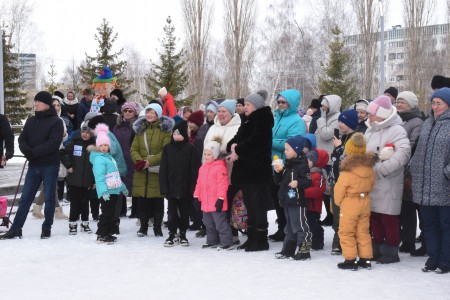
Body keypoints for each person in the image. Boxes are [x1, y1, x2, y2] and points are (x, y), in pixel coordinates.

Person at [0, 91, 64, 240]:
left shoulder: (56, 122)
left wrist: (33, 152)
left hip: (49, 165)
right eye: (35, 101)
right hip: (33, 165)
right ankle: (16, 229)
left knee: (49, 198)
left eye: (39, 102)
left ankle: (47, 227)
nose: (36, 104)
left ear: (47, 104)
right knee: (26, 198)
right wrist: (27, 151)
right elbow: (22, 139)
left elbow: (53, 144)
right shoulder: (30, 121)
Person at [364, 95, 411, 264]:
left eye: (371, 114)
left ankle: (391, 250)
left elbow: (403, 154)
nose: (368, 117)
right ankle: (376, 248)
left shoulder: (397, 130)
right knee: (375, 216)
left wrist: (381, 169)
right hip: (372, 181)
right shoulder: (370, 129)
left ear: (382, 114)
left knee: (388, 218)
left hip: (388, 181)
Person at [409, 87, 450, 274]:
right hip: (424, 185)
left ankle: (445, 261)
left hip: (444, 186)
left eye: (439, 103)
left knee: (446, 225)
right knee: (429, 225)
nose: (435, 107)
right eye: (433, 103)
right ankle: (433, 258)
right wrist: (413, 166)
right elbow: (419, 150)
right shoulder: (427, 123)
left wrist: (445, 173)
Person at [227, 89, 273, 252]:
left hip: (257, 172)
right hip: (246, 172)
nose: (244, 107)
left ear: (256, 106)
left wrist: (237, 149)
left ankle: (261, 239)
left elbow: (256, 143)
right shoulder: (247, 120)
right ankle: (252, 236)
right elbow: (236, 139)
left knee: (257, 206)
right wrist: (232, 146)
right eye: (244, 104)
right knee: (250, 206)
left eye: (248, 104)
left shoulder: (263, 119)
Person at [334, 133, 376, 270]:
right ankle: (366, 259)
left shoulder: (347, 171)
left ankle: (350, 259)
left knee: (346, 231)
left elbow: (339, 189)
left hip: (350, 202)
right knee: (363, 231)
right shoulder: (369, 168)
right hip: (365, 201)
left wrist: (338, 202)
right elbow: (372, 183)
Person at [131, 103, 174, 237]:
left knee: (157, 201)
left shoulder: (165, 130)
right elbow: (133, 148)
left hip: (157, 169)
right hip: (142, 170)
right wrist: (139, 161)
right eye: (148, 112)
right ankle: (143, 227)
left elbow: (166, 150)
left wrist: (150, 161)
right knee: (143, 200)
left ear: (158, 114)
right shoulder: (140, 129)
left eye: (152, 112)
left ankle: (157, 227)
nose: (149, 115)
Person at [270, 89, 307, 242]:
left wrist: (269, 141)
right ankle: (282, 228)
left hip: (287, 166)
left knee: (286, 200)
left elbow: (292, 143)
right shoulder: (277, 118)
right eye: (278, 101)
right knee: (277, 199)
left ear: (291, 104)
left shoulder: (296, 121)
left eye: (283, 102)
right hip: (274, 164)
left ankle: (290, 231)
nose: (280, 105)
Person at [203, 99, 241, 240]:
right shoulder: (213, 128)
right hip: (213, 171)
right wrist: (205, 166)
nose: (220, 114)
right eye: (219, 111)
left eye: (224, 111)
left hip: (230, 169)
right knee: (215, 202)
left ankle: (233, 233)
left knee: (230, 201)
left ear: (231, 113)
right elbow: (206, 148)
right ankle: (217, 232)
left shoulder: (238, 127)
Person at [160, 121, 200, 247]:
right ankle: (172, 233)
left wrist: (192, 188)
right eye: (174, 133)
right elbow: (163, 169)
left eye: (179, 133)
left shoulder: (190, 148)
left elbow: (194, 169)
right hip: (171, 187)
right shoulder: (167, 148)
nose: (176, 136)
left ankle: (183, 233)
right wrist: (164, 187)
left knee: (184, 212)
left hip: (185, 187)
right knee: (171, 212)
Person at [273, 135, 312, 260]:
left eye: (287, 149)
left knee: (300, 226)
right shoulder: (287, 165)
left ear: (296, 150)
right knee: (289, 227)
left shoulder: (302, 165)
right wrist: (278, 172)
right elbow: (278, 182)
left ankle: (304, 250)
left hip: (297, 201)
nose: (285, 152)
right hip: (287, 201)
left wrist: (298, 183)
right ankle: (288, 250)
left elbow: (308, 181)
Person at [395, 91, 424, 255]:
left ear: (411, 104)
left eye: (402, 102)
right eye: (398, 102)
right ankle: (403, 237)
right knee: (401, 207)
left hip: (409, 170)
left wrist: (398, 155)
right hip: (396, 168)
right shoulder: (398, 120)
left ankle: (409, 241)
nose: (399, 104)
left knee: (409, 207)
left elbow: (413, 144)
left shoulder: (416, 122)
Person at [89, 124, 128, 244]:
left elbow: (115, 175)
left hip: (114, 190)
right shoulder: (99, 159)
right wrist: (103, 191)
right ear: (97, 146)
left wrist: (123, 187)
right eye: (101, 145)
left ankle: (107, 233)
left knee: (111, 213)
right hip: (107, 191)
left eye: (106, 145)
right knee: (106, 213)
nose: (104, 147)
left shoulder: (109, 158)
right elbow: (99, 178)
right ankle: (101, 234)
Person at [194, 137, 233, 250]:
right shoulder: (202, 168)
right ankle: (212, 241)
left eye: (209, 154)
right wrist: (196, 196)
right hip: (205, 202)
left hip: (216, 202)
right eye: (205, 154)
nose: (206, 157)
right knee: (208, 223)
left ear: (215, 155)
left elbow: (223, 185)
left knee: (220, 223)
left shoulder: (220, 167)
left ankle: (227, 242)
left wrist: (221, 198)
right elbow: (199, 184)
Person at [329, 109, 359, 255]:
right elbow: (334, 161)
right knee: (336, 213)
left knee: (344, 214)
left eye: (343, 122)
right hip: (336, 182)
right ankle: (338, 242)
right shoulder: (342, 137)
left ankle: (344, 242)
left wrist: (339, 147)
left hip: (347, 182)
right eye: (339, 121)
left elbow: (349, 160)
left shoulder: (355, 139)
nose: (339, 124)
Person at [60, 123, 95, 234]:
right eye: (83, 132)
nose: (85, 134)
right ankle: (73, 224)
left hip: (87, 180)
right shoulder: (74, 143)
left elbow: (96, 165)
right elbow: (61, 153)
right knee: (74, 203)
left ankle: (85, 223)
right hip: (74, 180)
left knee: (85, 202)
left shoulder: (94, 146)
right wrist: (68, 165)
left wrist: (94, 180)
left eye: (87, 133)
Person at [315, 94, 342, 226]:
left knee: (330, 188)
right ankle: (328, 215)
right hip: (322, 156)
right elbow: (318, 134)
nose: (322, 107)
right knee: (325, 188)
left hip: (330, 157)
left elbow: (326, 134)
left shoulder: (336, 118)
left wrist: (321, 119)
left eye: (325, 105)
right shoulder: (326, 117)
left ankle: (333, 215)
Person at [112, 101, 140, 218]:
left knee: (134, 184)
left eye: (130, 111)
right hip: (119, 159)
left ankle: (136, 210)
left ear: (135, 112)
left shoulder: (137, 126)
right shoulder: (117, 126)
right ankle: (121, 209)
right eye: (125, 111)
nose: (127, 113)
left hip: (132, 158)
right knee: (120, 183)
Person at [304, 148, 328, 250]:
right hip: (304, 205)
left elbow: (318, 190)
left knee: (313, 225)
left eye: (309, 160)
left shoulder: (319, 175)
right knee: (305, 225)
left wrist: (303, 192)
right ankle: (307, 242)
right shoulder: (305, 173)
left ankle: (318, 242)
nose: (306, 162)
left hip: (314, 207)